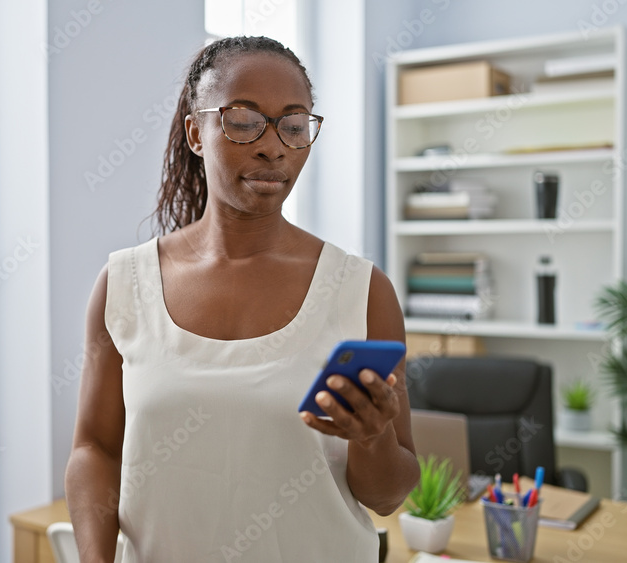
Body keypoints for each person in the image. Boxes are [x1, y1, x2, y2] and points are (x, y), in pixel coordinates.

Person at [65, 36, 419, 563]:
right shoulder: (124, 284)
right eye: (243, 120)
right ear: (196, 133)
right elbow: (94, 448)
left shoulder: (361, 292)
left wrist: (372, 438)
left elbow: (388, 497)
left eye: (294, 126)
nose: (272, 146)